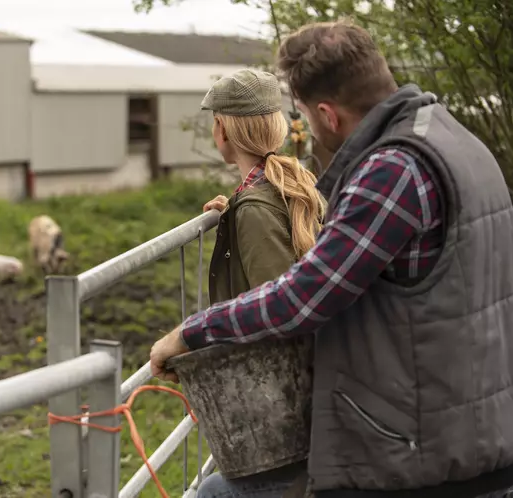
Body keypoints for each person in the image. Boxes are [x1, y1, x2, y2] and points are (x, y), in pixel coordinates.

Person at [150, 19, 513, 498]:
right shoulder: (458, 141)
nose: (308, 130)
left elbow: (301, 297)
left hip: (418, 456)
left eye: (305, 115)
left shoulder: (393, 170)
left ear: (327, 112)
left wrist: (189, 333)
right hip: (474, 429)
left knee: (216, 493)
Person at [194, 68, 324, 498]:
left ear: (223, 130)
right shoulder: (284, 185)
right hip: (307, 404)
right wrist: (232, 211)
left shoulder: (255, 207)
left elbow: (277, 304)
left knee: (212, 492)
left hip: (285, 412)